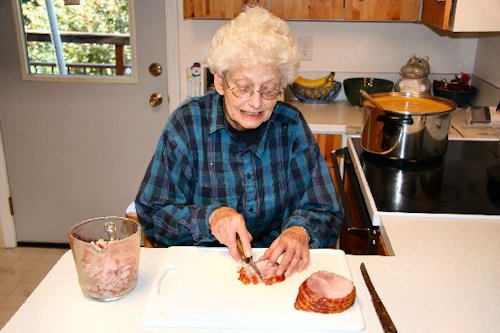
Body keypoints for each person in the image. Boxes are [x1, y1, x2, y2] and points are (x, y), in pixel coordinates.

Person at [135, 7, 342, 277]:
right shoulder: (187, 125)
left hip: (274, 267)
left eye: (269, 90)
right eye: (244, 87)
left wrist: (300, 230)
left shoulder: (290, 126)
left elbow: (326, 209)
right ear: (220, 81)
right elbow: (152, 214)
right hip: (204, 269)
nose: (256, 102)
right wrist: (210, 218)